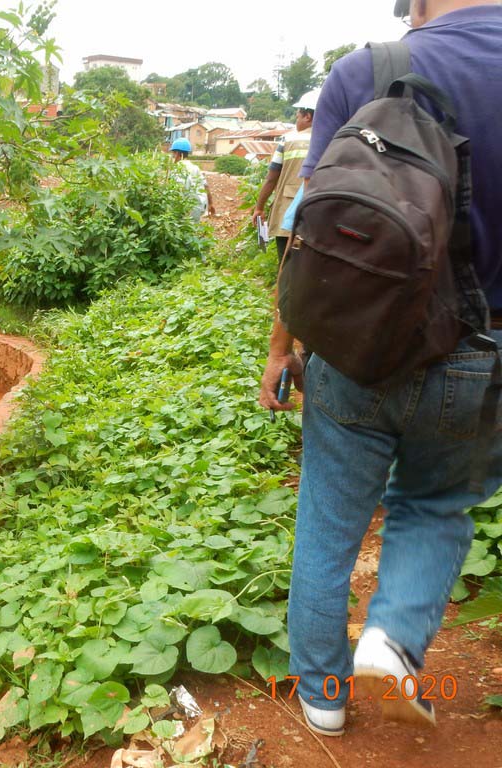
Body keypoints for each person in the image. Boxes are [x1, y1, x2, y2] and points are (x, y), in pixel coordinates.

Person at [257, 0, 502, 738]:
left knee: (329, 522)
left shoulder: (366, 71)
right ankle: (391, 638)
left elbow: (307, 229)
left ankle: (324, 697)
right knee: (433, 507)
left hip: (352, 346)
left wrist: (280, 347)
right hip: (483, 353)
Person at [252, 89, 319, 258]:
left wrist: (259, 208)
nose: (296, 121)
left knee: (286, 262)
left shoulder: (288, 140)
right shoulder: (334, 140)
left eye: (297, 116)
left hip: (287, 210)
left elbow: (271, 178)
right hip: (318, 212)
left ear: (307, 116)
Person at [169, 138, 215, 222]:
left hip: (184, 208)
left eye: (173, 154)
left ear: (177, 154)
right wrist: (211, 204)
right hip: (198, 206)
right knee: (192, 229)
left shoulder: (176, 170)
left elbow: (175, 191)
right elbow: (206, 186)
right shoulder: (195, 167)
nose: (172, 157)